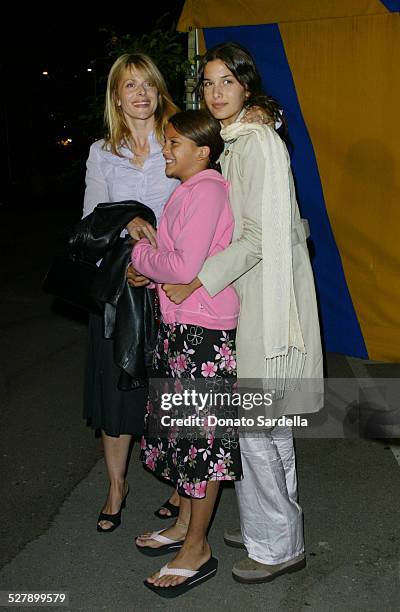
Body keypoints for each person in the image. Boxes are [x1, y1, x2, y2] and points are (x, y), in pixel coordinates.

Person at [157, 42, 324, 585]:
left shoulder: (251, 143)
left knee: (256, 426)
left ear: (247, 86)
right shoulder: (246, 139)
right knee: (270, 424)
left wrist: (195, 280)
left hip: (265, 297)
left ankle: (278, 545)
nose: (215, 92)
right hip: (268, 290)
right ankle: (273, 526)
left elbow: (255, 237)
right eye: (208, 83)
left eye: (227, 81)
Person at [132, 109, 243, 597]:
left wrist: (140, 259)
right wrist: (151, 269)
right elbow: (171, 263)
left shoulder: (208, 190)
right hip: (185, 329)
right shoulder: (187, 191)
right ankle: (182, 527)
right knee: (183, 434)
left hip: (204, 332)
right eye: (167, 141)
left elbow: (183, 266)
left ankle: (197, 547)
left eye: (175, 143)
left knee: (201, 444)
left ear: (203, 151)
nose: (166, 150)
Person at [82, 52, 181, 532]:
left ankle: (183, 489)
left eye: (147, 84)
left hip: (175, 282)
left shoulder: (179, 140)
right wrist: (127, 224)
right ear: (116, 97)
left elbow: (204, 202)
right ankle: (116, 487)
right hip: (120, 289)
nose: (140, 93)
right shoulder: (102, 152)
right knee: (116, 395)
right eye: (129, 85)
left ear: (158, 90)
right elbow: (90, 224)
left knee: (173, 389)